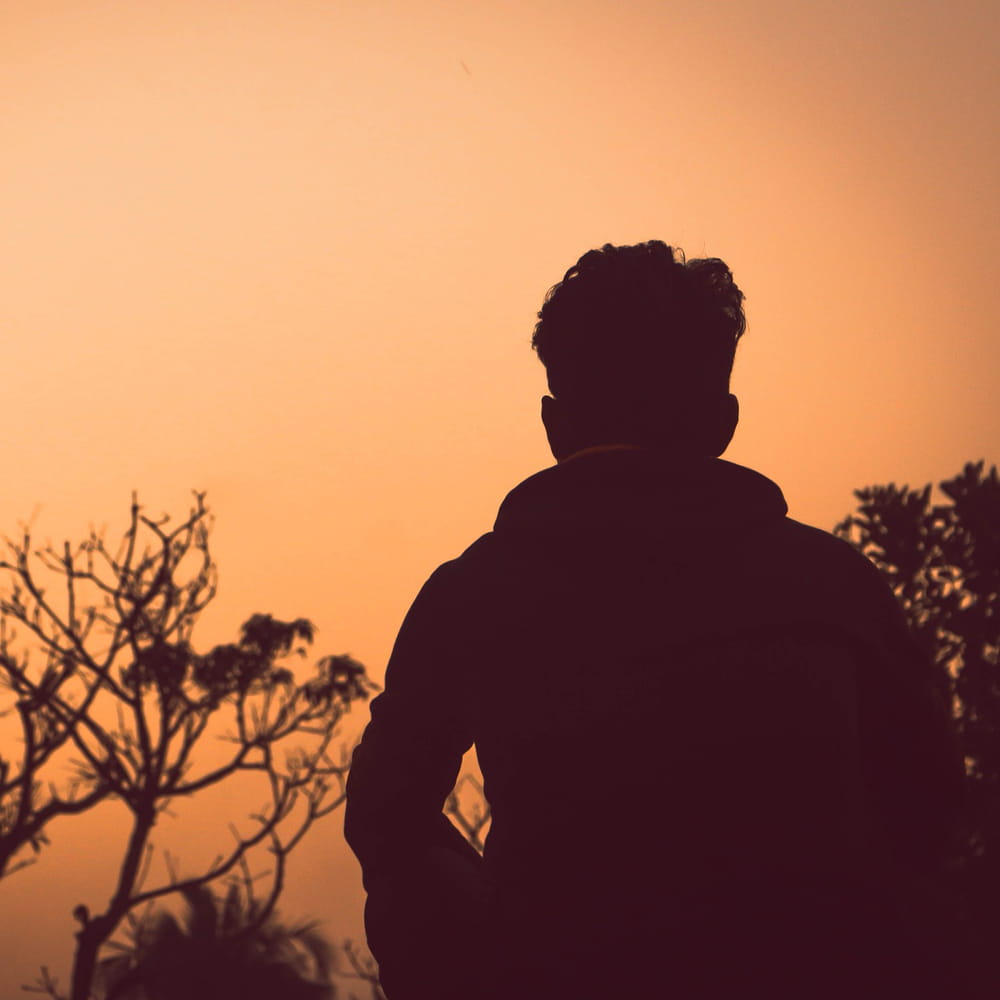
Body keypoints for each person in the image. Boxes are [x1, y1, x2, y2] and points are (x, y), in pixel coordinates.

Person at [344, 241, 968, 999]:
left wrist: (482, 966)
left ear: (553, 424)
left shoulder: (476, 594)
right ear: (724, 421)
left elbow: (389, 821)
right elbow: (931, 820)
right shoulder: (833, 587)